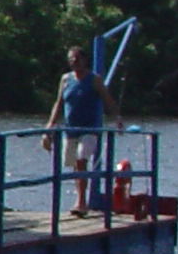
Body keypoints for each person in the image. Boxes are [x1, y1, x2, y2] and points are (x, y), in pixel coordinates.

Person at [44, 44, 123, 213]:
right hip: (70, 129)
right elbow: (59, 103)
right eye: (72, 60)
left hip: (90, 129)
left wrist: (117, 118)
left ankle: (81, 203)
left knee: (81, 160)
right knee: (74, 164)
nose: (75, 63)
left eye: (78, 59)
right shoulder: (65, 79)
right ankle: (80, 198)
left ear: (85, 60)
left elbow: (107, 99)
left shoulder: (94, 79)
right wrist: (50, 125)